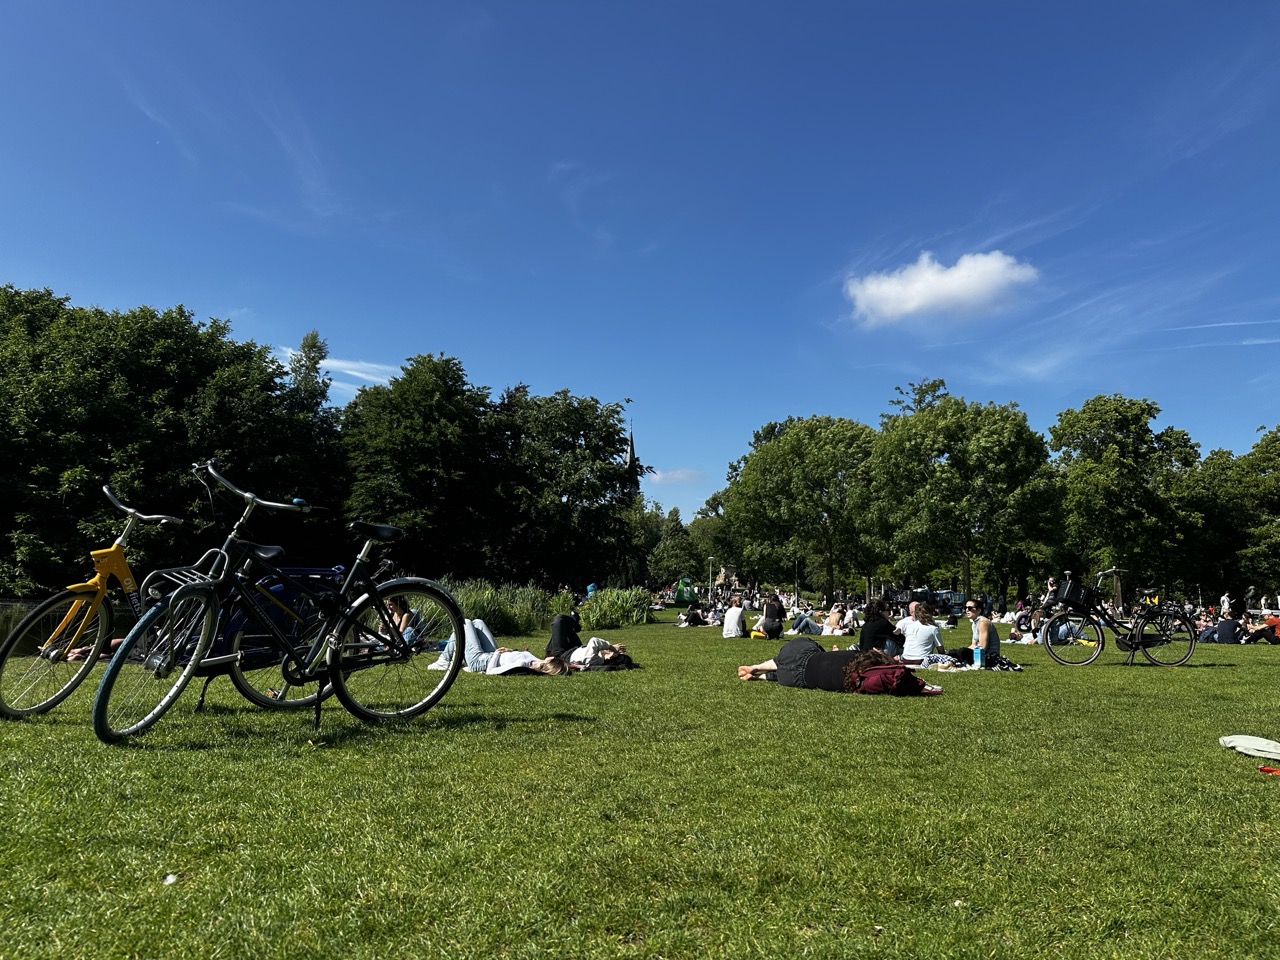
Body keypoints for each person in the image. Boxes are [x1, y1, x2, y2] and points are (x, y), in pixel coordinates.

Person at [736, 639, 941, 695]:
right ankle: (761, 677)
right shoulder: (853, 682)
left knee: (799, 650)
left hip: (802, 660)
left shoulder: (854, 654)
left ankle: (757, 666)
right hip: (796, 681)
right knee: (786, 671)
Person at [431, 618, 568, 675]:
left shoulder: (522, 665)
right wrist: (510, 651)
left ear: (550, 662)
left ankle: (444, 659)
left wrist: (497, 654)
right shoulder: (536, 661)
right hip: (490, 654)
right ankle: (450, 657)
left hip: (481, 661)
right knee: (478, 622)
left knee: (464, 622)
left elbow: (491, 671)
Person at [961, 599, 1000, 667]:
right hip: (981, 654)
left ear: (979, 610)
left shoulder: (983, 622)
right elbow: (973, 645)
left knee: (958, 653)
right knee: (958, 653)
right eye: (965, 608)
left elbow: (982, 647)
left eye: (970, 608)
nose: (967, 610)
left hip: (990, 657)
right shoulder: (974, 623)